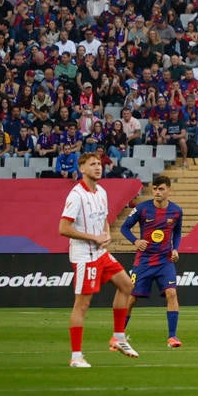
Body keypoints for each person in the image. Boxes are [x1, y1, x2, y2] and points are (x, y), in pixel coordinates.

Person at [59, 152, 140, 367]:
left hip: (100, 253)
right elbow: (63, 228)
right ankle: (76, 357)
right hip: (84, 256)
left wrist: (107, 233)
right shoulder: (76, 195)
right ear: (82, 169)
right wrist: (93, 237)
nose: (98, 167)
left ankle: (118, 338)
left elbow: (103, 218)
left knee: (127, 285)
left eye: (99, 164)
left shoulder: (101, 192)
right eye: (92, 164)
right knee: (82, 305)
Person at [120, 173, 184, 347]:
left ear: (168, 190)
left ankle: (172, 337)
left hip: (165, 261)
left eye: (161, 189)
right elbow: (124, 228)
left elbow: (177, 232)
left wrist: (175, 249)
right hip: (144, 260)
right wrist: (135, 241)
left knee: (172, 293)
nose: (157, 192)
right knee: (132, 298)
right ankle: (118, 335)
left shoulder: (176, 211)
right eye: (155, 189)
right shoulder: (142, 209)